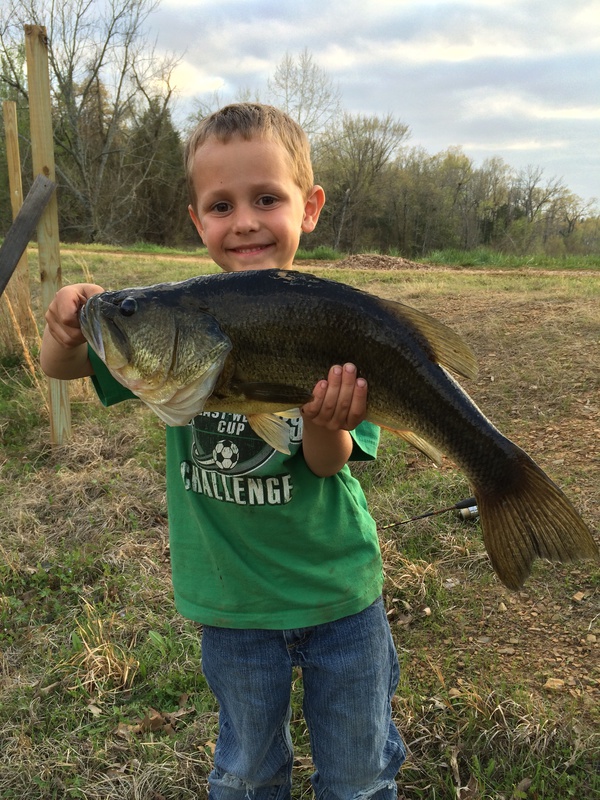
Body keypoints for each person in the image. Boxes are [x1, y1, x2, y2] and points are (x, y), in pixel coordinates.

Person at [41, 103, 406, 799]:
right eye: (221, 204)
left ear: (310, 207)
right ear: (196, 219)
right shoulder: (175, 324)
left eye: (266, 198)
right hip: (232, 609)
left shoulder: (336, 319)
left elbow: (328, 463)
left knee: (360, 774)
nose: (243, 220)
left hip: (340, 599)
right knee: (244, 775)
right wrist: (68, 323)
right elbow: (60, 368)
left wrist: (325, 419)